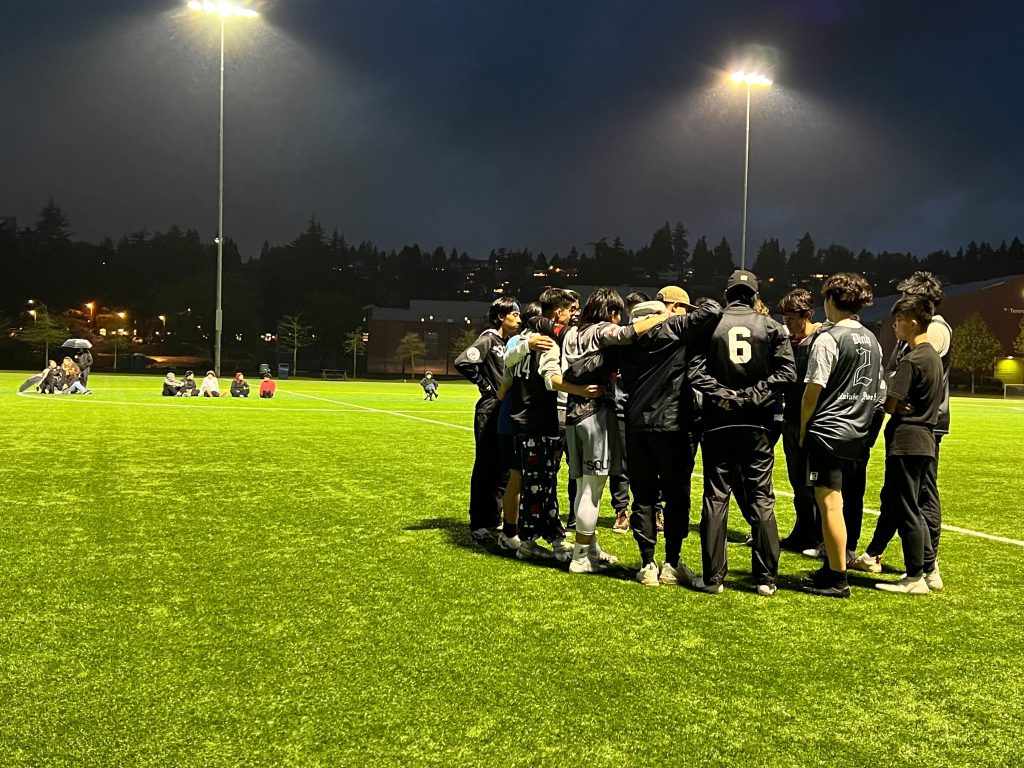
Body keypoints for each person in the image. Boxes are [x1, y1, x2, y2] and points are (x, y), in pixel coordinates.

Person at [687, 270, 796, 596]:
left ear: (728, 293)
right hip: (758, 421)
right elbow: (788, 372)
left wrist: (723, 394)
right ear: (753, 295)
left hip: (718, 421)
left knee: (716, 496)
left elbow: (694, 371)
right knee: (761, 497)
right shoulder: (772, 326)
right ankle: (766, 580)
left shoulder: (711, 324)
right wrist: (755, 392)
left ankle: (713, 578)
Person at [561, 288, 671, 574]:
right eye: (618, 312)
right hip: (595, 413)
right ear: (610, 311)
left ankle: (591, 547)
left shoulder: (572, 332)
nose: (620, 317)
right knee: (592, 490)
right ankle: (580, 557)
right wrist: (665, 315)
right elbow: (628, 333)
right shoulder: (602, 330)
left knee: (582, 487)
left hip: (573, 413)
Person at [618, 291, 722, 587]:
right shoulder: (674, 327)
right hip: (674, 425)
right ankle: (671, 563)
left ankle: (647, 562)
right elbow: (713, 307)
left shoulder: (628, 338)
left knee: (644, 496)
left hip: (637, 426)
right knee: (676, 497)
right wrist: (673, 316)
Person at [853, 271, 952, 579]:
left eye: (906, 297)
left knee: (920, 495)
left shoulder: (932, 332)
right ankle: (875, 552)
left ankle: (927, 564)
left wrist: (894, 391)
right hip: (914, 422)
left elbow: (908, 374)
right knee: (896, 493)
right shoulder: (914, 335)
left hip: (921, 424)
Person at [799, 273, 885, 598]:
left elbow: (813, 391)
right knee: (843, 501)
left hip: (829, 430)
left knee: (830, 503)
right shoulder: (872, 338)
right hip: (858, 432)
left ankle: (838, 578)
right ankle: (832, 568)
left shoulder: (828, 338)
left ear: (832, 300)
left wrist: (805, 427)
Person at [501, 290, 601, 560]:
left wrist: (524, 346)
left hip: (523, 419)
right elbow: (550, 380)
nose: (572, 315)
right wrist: (580, 390)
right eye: (569, 310)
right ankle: (528, 542)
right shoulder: (547, 343)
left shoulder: (519, 340)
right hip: (538, 421)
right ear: (558, 312)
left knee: (544, 482)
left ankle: (554, 535)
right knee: (537, 484)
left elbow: (507, 360)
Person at [874, 295, 944, 595]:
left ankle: (915, 576)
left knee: (907, 509)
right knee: (912, 504)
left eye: (899, 320)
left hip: (906, 441)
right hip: (926, 439)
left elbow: (890, 404)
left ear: (912, 322)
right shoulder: (933, 358)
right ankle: (928, 569)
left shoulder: (912, 359)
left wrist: (893, 401)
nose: (895, 326)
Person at [454, 297, 522, 541]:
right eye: (514, 314)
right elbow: (463, 362)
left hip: (506, 410)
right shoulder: (489, 339)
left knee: (504, 468)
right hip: (490, 408)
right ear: (501, 316)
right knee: (486, 466)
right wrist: (486, 387)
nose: (518, 318)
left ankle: (496, 519)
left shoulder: (510, 343)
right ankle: (479, 524)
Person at [776, 289, 824, 554]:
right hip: (791, 420)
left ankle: (819, 535)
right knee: (797, 482)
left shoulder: (821, 340)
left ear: (807, 315)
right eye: (785, 317)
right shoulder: (788, 342)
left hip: (814, 423)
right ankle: (803, 531)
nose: (788, 323)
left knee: (812, 483)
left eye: (792, 318)